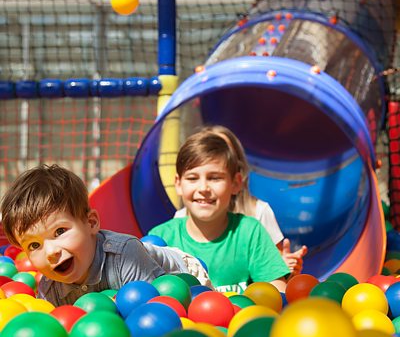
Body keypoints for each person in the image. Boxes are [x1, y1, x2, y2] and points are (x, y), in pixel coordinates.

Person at [0, 164, 211, 307]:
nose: (51, 251)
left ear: (91, 223)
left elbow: (155, 309)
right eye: (34, 245)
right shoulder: (50, 287)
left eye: (60, 232)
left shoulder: (125, 255)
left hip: (183, 275)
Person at [149, 129, 290, 293]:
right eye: (192, 178)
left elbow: (278, 293)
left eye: (215, 178)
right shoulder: (162, 238)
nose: (203, 188)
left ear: (235, 183)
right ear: (178, 184)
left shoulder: (250, 232)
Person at [175, 125, 307, 276]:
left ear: (236, 172)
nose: (204, 187)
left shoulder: (257, 214)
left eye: (215, 175)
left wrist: (286, 269)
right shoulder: (181, 219)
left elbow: (275, 269)